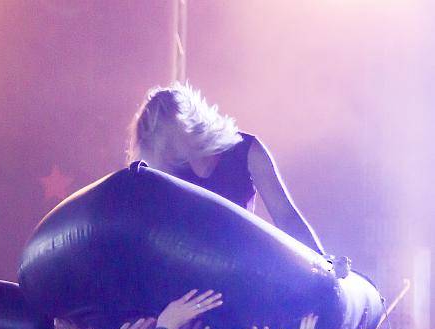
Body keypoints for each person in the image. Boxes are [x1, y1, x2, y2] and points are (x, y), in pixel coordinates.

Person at [130, 82, 325, 254]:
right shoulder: (163, 172)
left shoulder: (246, 150)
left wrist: (325, 267)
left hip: (240, 267)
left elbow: (286, 217)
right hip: (187, 273)